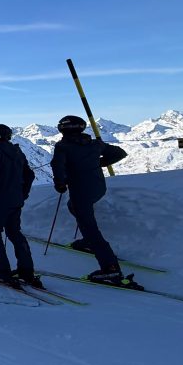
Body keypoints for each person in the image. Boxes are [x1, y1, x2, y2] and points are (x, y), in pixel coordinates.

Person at [50, 115, 129, 283]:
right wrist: (100, 163)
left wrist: (60, 184)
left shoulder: (63, 146)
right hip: (98, 188)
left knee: (90, 228)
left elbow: (58, 166)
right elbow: (120, 153)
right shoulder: (94, 144)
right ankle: (88, 242)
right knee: (74, 207)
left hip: (81, 192)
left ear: (64, 129)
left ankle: (111, 269)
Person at [0, 124, 40, 287]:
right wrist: (22, 194)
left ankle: (2, 271)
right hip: (16, 199)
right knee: (14, 232)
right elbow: (30, 174)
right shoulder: (17, 151)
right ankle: (26, 270)